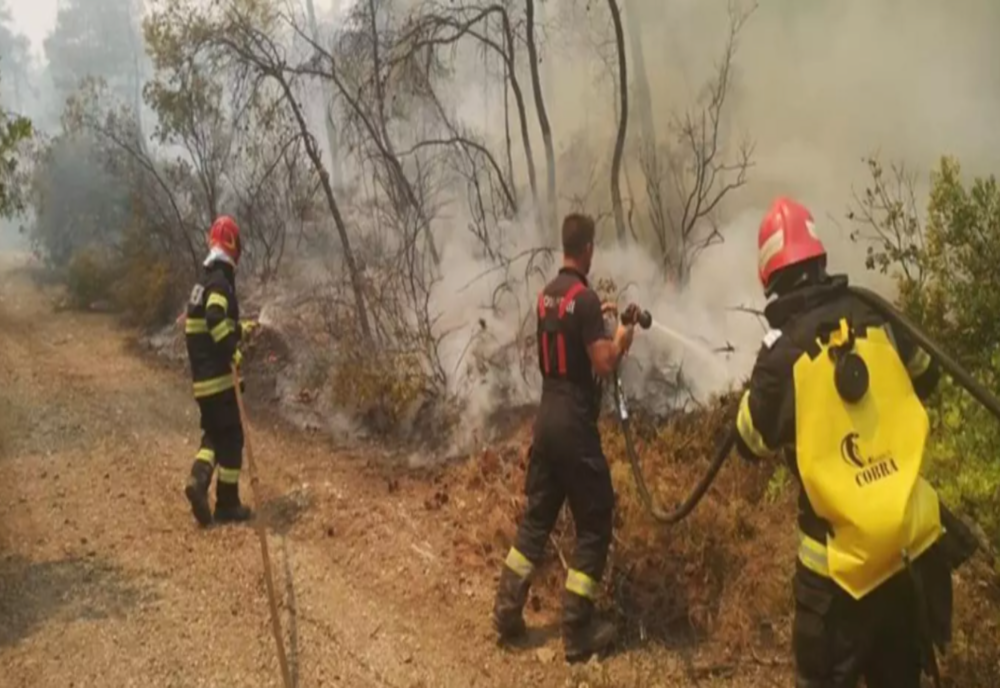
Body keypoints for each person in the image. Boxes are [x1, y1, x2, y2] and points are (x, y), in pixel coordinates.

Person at [735, 197, 975, 687]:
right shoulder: (875, 316)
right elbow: (926, 377)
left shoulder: (782, 356)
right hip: (903, 559)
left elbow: (749, 441)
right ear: (819, 258)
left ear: (771, 279)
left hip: (835, 589)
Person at [491, 213, 639, 662]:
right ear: (589, 248)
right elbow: (604, 362)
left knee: (537, 518)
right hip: (575, 422)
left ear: (564, 246)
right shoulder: (587, 300)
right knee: (595, 519)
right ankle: (577, 631)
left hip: (546, 419)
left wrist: (600, 317)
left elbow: (568, 327)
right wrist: (623, 335)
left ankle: (506, 612)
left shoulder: (547, 297)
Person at [183, 215, 255, 526]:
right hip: (218, 377)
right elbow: (214, 317)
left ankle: (198, 482)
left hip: (202, 380)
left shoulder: (204, 279)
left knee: (214, 432)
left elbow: (214, 321)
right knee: (233, 435)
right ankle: (227, 503)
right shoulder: (220, 283)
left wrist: (240, 329)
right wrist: (231, 350)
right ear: (233, 247)